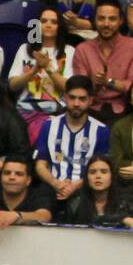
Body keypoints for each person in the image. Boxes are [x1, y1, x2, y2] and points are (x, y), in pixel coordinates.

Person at [34, 75, 112, 212]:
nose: (76, 103)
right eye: (72, 97)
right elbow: (41, 165)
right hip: (52, 187)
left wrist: (73, 187)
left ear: (90, 101)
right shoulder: (48, 126)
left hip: (85, 189)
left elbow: (101, 168)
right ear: (64, 97)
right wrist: (56, 183)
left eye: (82, 99)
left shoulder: (101, 131)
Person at [73, 0, 133, 123]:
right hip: (90, 109)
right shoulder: (83, 49)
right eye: (101, 18)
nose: (106, 24)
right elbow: (80, 87)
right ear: (94, 20)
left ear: (121, 21)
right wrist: (95, 84)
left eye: (112, 19)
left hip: (126, 109)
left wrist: (108, 82)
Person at [9, 6, 76, 143]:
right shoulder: (25, 49)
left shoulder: (69, 51)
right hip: (25, 110)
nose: (48, 25)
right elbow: (12, 85)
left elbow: (68, 88)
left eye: (54, 22)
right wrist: (34, 71)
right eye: (44, 21)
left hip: (57, 111)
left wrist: (48, 68)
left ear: (60, 26)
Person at [60, 152, 133, 221]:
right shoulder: (75, 203)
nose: (98, 176)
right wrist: (121, 219)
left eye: (104, 172)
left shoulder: (126, 203)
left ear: (112, 176)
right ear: (87, 177)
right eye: (92, 172)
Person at [50, 0, 116, 39]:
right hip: (61, 40)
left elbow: (108, 23)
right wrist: (39, 42)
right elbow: (41, 17)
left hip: (94, 42)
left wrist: (76, 22)